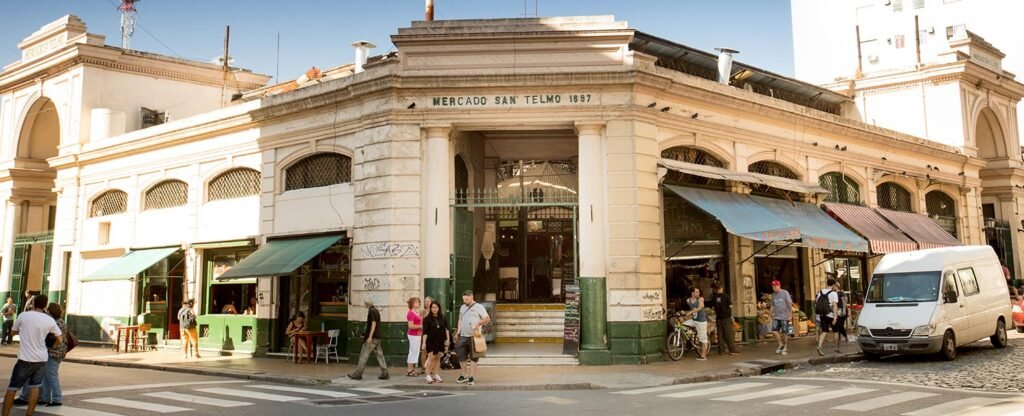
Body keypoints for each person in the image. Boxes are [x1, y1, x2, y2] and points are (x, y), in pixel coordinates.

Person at [2, 295, 61, 416]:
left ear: (33, 303)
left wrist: (22, 331)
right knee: (35, 387)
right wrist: (51, 346)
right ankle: (29, 414)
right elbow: (59, 338)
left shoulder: (24, 315)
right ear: (45, 306)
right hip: (41, 358)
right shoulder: (49, 320)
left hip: (25, 358)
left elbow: (12, 332)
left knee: (12, 388)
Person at [14, 303, 66, 407]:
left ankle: (57, 398)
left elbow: (57, 339)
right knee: (46, 377)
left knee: (51, 376)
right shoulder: (58, 321)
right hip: (53, 353)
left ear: (50, 311)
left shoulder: (55, 322)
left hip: (53, 353)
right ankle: (45, 398)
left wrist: (49, 347)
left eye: (47, 311)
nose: (46, 312)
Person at [348, 298, 389, 380]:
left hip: (372, 338)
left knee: (363, 355)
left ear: (367, 304)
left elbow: (373, 323)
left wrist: (370, 336)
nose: (364, 305)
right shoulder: (376, 311)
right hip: (377, 337)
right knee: (379, 355)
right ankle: (385, 373)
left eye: (364, 303)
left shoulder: (371, 311)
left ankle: (358, 374)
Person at [455, 290, 490, 386]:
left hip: (474, 336)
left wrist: (478, 323)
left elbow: (487, 319)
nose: (464, 301)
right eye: (463, 299)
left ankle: (472, 377)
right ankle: (463, 374)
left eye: (466, 299)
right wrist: (458, 330)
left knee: (474, 357)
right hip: (463, 335)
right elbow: (460, 319)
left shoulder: (479, 307)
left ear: (471, 297)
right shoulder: (462, 307)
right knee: (461, 356)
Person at [422, 301, 449, 384]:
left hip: (440, 340)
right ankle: (427, 375)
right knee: (431, 357)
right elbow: (425, 332)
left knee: (437, 358)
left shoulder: (442, 317)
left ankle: (436, 374)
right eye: (433, 307)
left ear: (439, 308)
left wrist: (447, 340)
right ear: (430, 308)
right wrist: (424, 343)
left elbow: (446, 329)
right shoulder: (427, 319)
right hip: (430, 340)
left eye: (436, 307)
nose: (434, 309)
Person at [709, 284, 738, 355]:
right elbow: (731, 306)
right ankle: (732, 350)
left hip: (718, 318)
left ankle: (721, 350)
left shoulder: (714, 297)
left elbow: (712, 308)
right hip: (726, 317)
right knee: (728, 333)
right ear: (721, 288)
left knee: (720, 334)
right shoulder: (725, 296)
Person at [815, 278, 841, 356]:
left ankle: (819, 346)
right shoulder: (834, 293)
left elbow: (817, 303)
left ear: (827, 284)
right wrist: (835, 317)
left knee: (824, 331)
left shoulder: (820, 292)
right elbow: (835, 306)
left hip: (822, 315)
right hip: (831, 315)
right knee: (835, 331)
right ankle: (836, 348)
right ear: (833, 285)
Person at [683, 287, 709, 360]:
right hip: (694, 320)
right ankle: (691, 338)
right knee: (682, 326)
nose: (698, 293)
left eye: (698, 292)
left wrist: (691, 312)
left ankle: (703, 356)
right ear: (692, 293)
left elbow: (700, 308)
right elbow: (692, 308)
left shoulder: (701, 299)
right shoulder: (688, 300)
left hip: (701, 321)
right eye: (697, 292)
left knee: (703, 339)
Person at [770, 280, 792, 355]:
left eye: (775, 286)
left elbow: (789, 303)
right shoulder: (773, 295)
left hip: (784, 316)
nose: (774, 288)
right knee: (774, 331)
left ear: (779, 286)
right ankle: (780, 344)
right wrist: (770, 314)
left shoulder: (785, 293)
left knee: (785, 332)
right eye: (773, 286)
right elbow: (772, 305)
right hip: (776, 316)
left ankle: (785, 347)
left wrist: (790, 314)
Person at [405, 297, 423, 377]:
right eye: (416, 302)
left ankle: (412, 369)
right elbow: (410, 326)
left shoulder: (417, 312)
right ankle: (409, 370)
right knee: (413, 352)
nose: (418, 303)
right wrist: (421, 326)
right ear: (412, 303)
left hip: (417, 335)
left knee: (415, 352)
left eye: (418, 301)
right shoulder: (411, 313)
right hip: (413, 335)